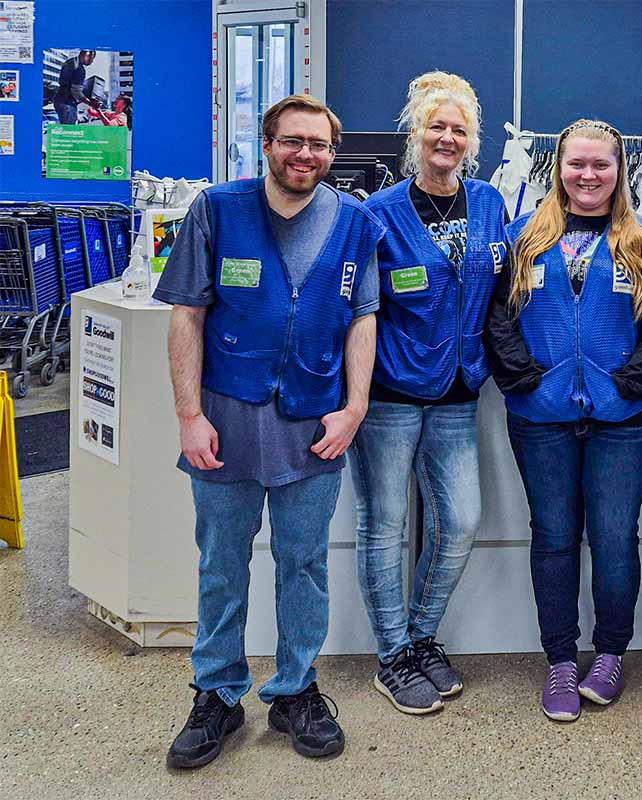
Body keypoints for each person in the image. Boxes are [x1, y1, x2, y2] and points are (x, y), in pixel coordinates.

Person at [155, 95, 385, 768]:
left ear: (333, 153)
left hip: (314, 423)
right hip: (224, 420)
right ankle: (218, 695)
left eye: (317, 144)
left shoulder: (355, 222)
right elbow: (187, 316)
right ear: (266, 143)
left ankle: (294, 690)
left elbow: (363, 319)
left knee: (304, 565)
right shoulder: (217, 210)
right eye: (292, 141)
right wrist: (189, 416)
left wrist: (355, 408)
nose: (304, 155)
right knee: (221, 568)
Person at [486, 119, 642, 723]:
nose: (588, 175)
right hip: (539, 415)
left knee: (616, 538)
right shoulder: (523, 237)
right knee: (554, 537)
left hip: (622, 416)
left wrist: (629, 381)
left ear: (620, 169)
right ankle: (562, 660)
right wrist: (523, 378)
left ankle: (610, 654)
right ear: (558, 168)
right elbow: (497, 316)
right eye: (577, 164)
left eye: (601, 164)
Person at [352, 72, 508, 715]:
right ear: (414, 134)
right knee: (384, 525)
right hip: (389, 394)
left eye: (459, 129)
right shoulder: (376, 214)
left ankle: (420, 635)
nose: (447, 138)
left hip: (459, 389)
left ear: (473, 141)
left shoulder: (492, 205)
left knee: (462, 521)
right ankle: (393, 656)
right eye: (435, 126)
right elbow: (356, 308)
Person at [52, 49, 99, 124]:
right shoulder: (79, 68)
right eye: (92, 59)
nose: (92, 62)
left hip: (61, 100)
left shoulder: (70, 62)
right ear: (86, 55)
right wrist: (90, 103)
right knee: (70, 131)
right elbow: (75, 91)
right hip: (67, 103)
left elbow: (68, 85)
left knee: (66, 130)